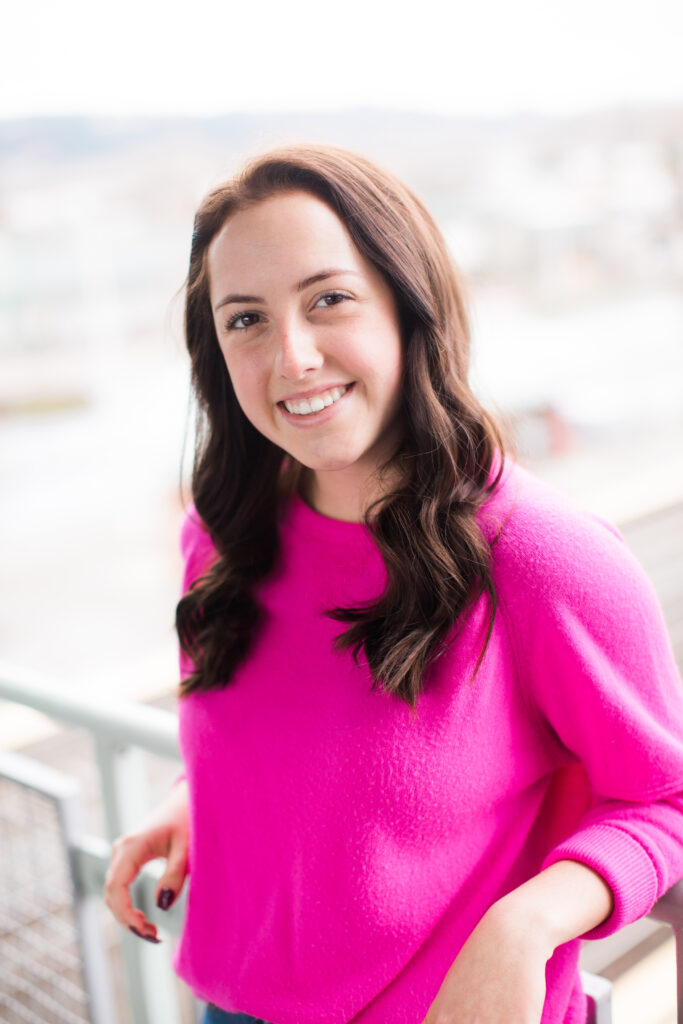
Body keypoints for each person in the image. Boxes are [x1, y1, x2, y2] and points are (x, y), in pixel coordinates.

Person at [105, 144, 683, 1024]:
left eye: (328, 299)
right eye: (245, 319)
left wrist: (525, 924)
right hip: (230, 1008)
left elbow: (665, 799)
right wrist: (206, 803)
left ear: (409, 305)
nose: (292, 356)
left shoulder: (543, 556)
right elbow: (297, 737)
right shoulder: (219, 538)